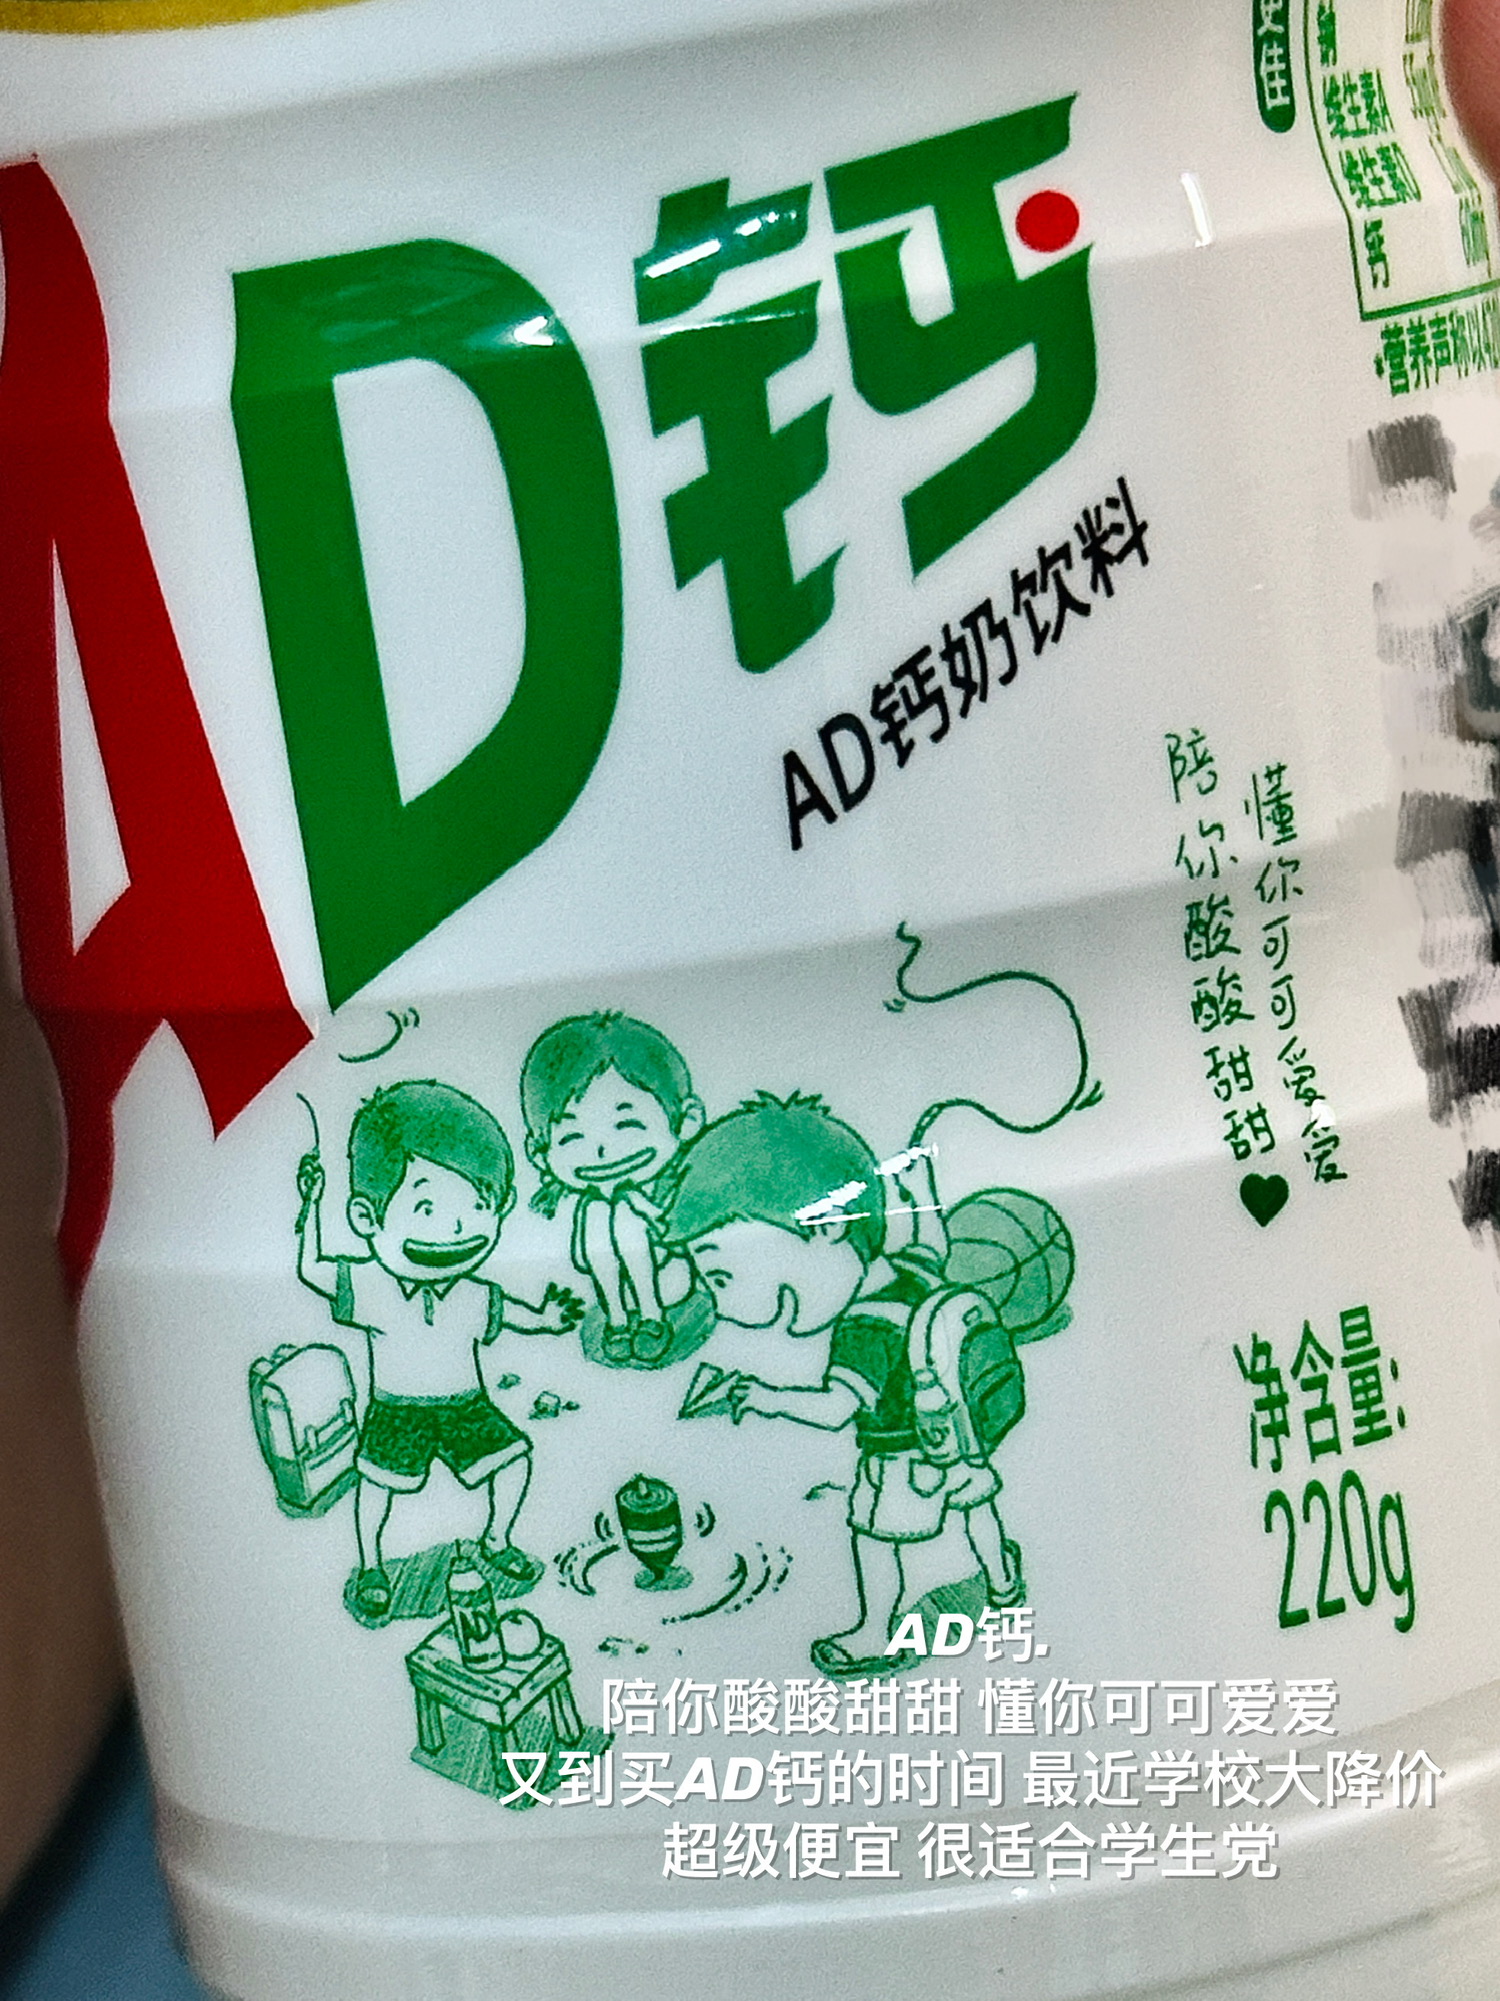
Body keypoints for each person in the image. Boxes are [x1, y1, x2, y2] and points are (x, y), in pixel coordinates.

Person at [664, 1092, 1024, 1677]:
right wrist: (918, 1184)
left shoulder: (864, 1328)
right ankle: (1004, 1582)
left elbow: (836, 1409)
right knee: (975, 1503)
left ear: (829, 1225)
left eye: (723, 1276)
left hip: (901, 1457)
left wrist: (763, 1398)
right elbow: (931, 1240)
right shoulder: (909, 1272)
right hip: (960, 1433)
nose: (722, 1304)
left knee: (874, 1539)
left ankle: (875, 1634)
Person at [296, 1079, 581, 1620]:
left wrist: (546, 1320)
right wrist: (310, 1205)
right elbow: (312, 1270)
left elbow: (509, 1313)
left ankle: (497, 1540)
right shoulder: (371, 1287)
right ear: (367, 1219)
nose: (455, 1231)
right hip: (396, 1411)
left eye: (476, 1207)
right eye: (425, 1209)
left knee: (513, 1460)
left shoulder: (472, 1293)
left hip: (465, 1406)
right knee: (376, 1485)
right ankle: (371, 1566)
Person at [520, 1012, 704, 1365]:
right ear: (540, 1153)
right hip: (616, 1281)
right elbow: (583, 1257)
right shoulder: (589, 1208)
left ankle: (652, 1317)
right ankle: (617, 1320)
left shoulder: (677, 1180)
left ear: (687, 1120)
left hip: (670, 1279)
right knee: (598, 1208)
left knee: (624, 1210)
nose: (602, 1150)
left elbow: (670, 1229)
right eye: (572, 1136)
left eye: (627, 1123)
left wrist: (639, 1204)